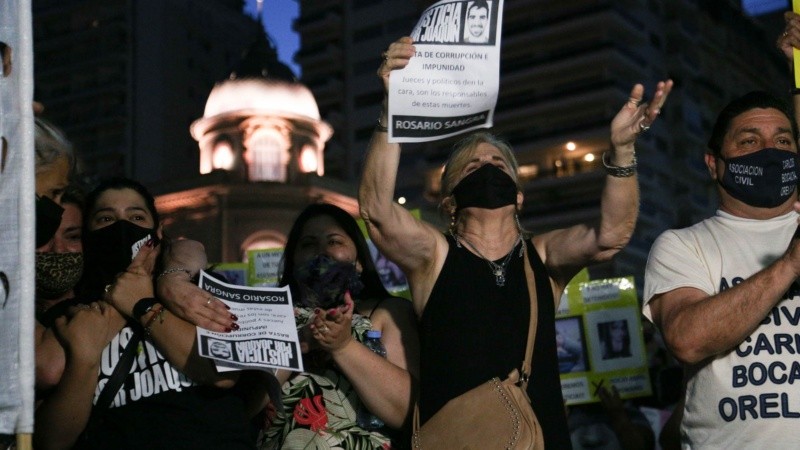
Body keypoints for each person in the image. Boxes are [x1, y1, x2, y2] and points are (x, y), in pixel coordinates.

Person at [360, 36, 672, 448]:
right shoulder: (434, 256)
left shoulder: (541, 255)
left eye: (498, 163)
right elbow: (377, 211)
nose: (486, 168)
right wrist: (392, 108)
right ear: (449, 201)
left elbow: (611, 236)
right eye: (472, 166)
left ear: (519, 197)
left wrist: (623, 151)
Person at [34, 177, 266, 450]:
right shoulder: (72, 314)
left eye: (136, 217)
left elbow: (221, 374)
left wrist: (142, 303)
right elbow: (52, 441)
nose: (122, 227)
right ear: (89, 235)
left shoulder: (195, 293)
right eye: (106, 219)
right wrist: (85, 355)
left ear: (157, 231)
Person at [642, 91, 800, 448]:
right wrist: (789, 265)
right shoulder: (684, 245)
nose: (770, 152)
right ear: (713, 164)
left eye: (783, 141)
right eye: (749, 141)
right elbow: (687, 339)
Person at [259, 203, 419, 449]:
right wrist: (296, 345)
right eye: (308, 244)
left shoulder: (388, 312)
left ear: (359, 261)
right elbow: (248, 405)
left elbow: (405, 411)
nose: (322, 252)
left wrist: (343, 345)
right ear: (292, 261)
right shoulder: (270, 317)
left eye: (334, 242)